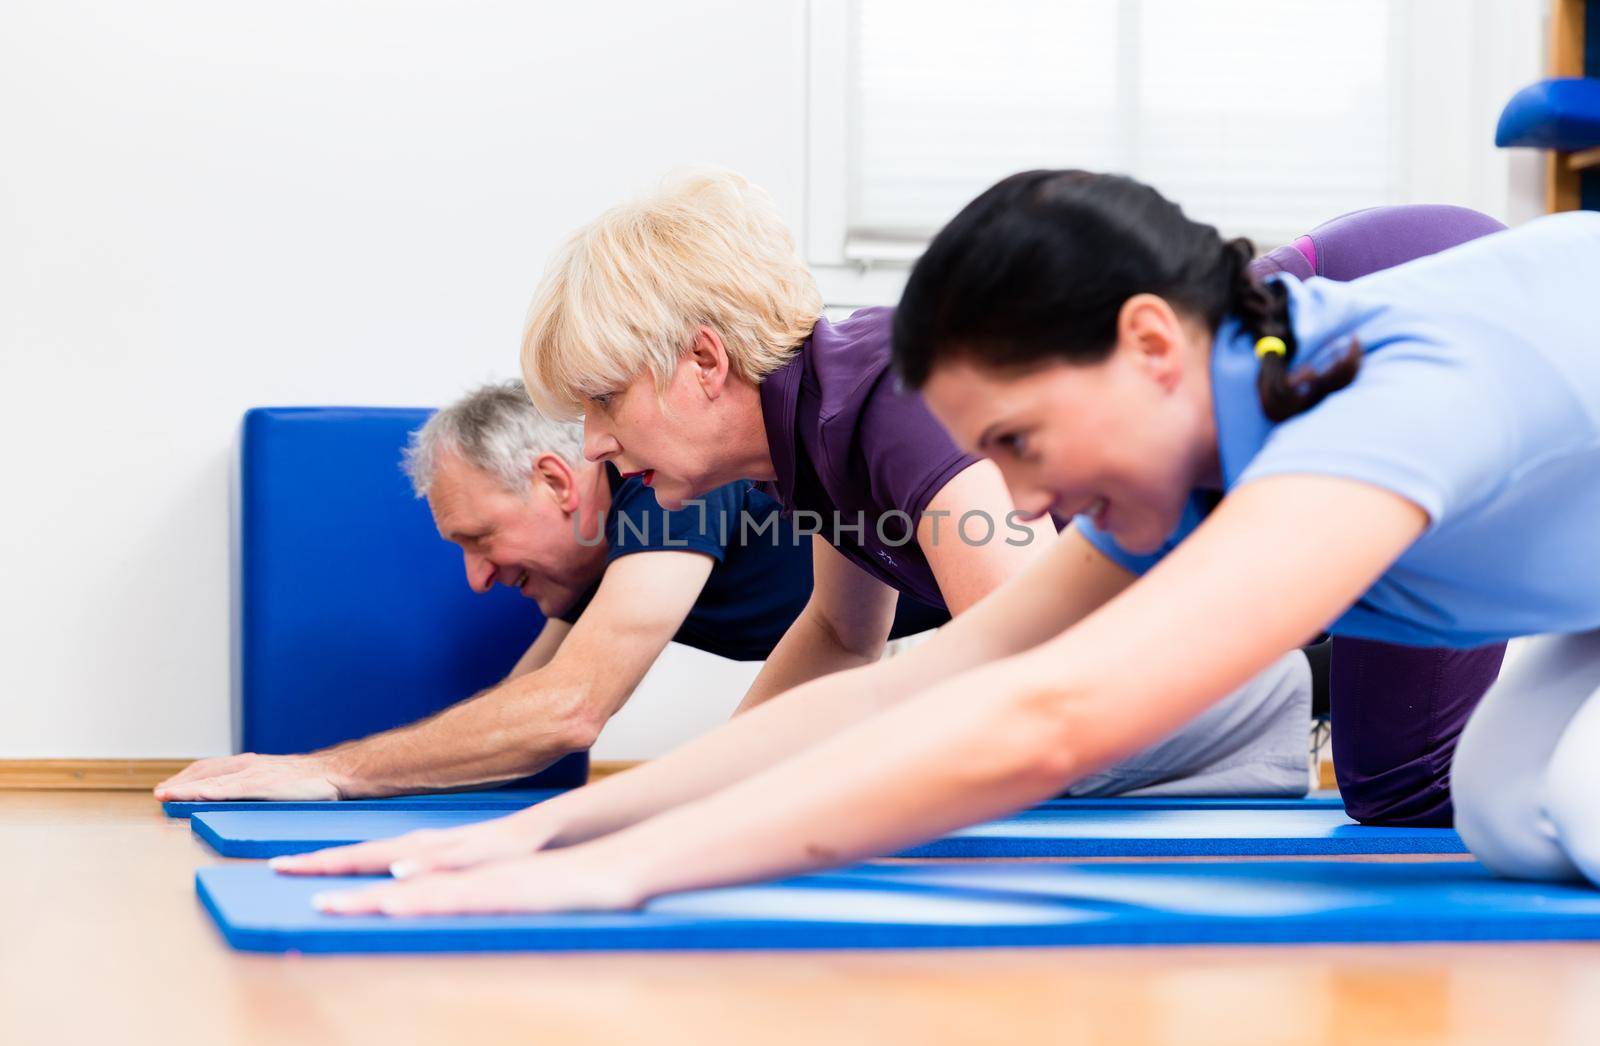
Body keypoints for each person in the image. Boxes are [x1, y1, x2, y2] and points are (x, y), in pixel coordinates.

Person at [287, 171, 1600, 915]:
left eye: (1019, 445)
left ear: (1151, 345)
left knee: (1559, 797)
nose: (1014, 502)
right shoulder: (1181, 451)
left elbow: (1041, 710)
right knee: (1502, 807)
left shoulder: (1386, 406)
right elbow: (921, 671)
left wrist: (626, 874)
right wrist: (560, 831)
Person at [156, 381, 942, 802]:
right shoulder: (597, 562)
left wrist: (331, 769)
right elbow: (525, 707)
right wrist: (313, 774)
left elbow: (568, 710)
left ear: (557, 480)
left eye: (479, 538)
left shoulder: (668, 484)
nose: (477, 577)